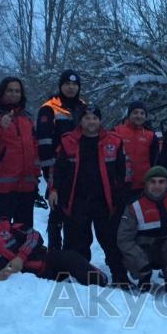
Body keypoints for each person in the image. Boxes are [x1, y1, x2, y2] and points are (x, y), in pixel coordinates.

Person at [48, 104, 130, 287]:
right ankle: (78, 276)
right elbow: (56, 170)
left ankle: (120, 277)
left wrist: (121, 196)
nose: (91, 121)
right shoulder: (67, 141)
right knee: (76, 240)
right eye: (87, 118)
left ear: (100, 120)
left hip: (105, 202)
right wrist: (53, 190)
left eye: (94, 118)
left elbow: (124, 172)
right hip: (76, 200)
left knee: (111, 241)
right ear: (80, 120)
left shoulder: (114, 141)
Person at [0, 208, 107, 286]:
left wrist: (21, 257)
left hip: (46, 261)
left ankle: (101, 283)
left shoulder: (5, 227)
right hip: (30, 281)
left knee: (70, 257)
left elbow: (34, 235)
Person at [36, 69, 88, 249]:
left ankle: (72, 252)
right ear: (61, 86)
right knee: (57, 211)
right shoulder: (49, 108)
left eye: (75, 84)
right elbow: (43, 142)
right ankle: (55, 253)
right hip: (58, 166)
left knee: (75, 211)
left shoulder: (83, 106)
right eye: (67, 84)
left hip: (80, 167)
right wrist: (48, 171)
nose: (71, 87)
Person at [117, 166, 167, 295]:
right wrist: (141, 263)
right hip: (143, 253)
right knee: (129, 255)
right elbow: (123, 239)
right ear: (146, 183)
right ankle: (144, 278)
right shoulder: (134, 206)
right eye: (152, 182)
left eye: (161, 182)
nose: (157, 186)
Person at [0, 77, 40, 228]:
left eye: (17, 91)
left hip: (26, 187)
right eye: (10, 90)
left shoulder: (26, 119)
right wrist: (0, 121)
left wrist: (35, 176)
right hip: (2, 188)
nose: (14, 94)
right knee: (1, 233)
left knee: (25, 232)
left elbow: (34, 150)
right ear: (1, 92)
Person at [113, 100, 159, 200]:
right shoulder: (117, 131)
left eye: (142, 113)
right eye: (135, 112)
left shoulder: (150, 135)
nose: (139, 116)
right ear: (129, 114)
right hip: (120, 183)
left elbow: (154, 159)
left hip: (142, 185)